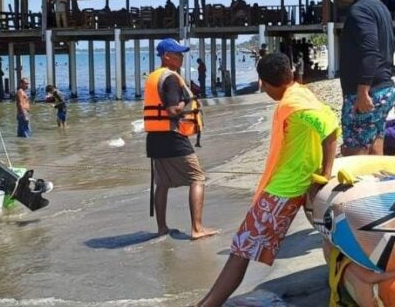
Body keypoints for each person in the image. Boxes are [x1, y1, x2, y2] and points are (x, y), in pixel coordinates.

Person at [196, 53, 339, 307]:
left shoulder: (292, 105)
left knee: (240, 251)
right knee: (244, 250)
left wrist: (326, 174)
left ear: (266, 83)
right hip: (293, 185)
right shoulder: (301, 93)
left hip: (283, 190)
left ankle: (206, 305)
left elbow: (330, 130)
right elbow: (328, 125)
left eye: (262, 85)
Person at [143, 38, 217, 240]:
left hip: (154, 139)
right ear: (167, 56)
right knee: (197, 178)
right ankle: (197, 228)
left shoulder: (154, 76)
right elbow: (172, 110)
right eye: (178, 54)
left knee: (163, 182)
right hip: (172, 136)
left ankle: (162, 228)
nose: (181, 57)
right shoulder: (171, 78)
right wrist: (187, 99)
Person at [335, 0, 395, 156]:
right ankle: (378, 184)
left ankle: (360, 186)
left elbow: (370, 50)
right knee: (376, 140)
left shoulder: (359, 10)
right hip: (384, 87)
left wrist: (363, 91)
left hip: (367, 92)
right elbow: (390, 46)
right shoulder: (380, 7)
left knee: (355, 149)